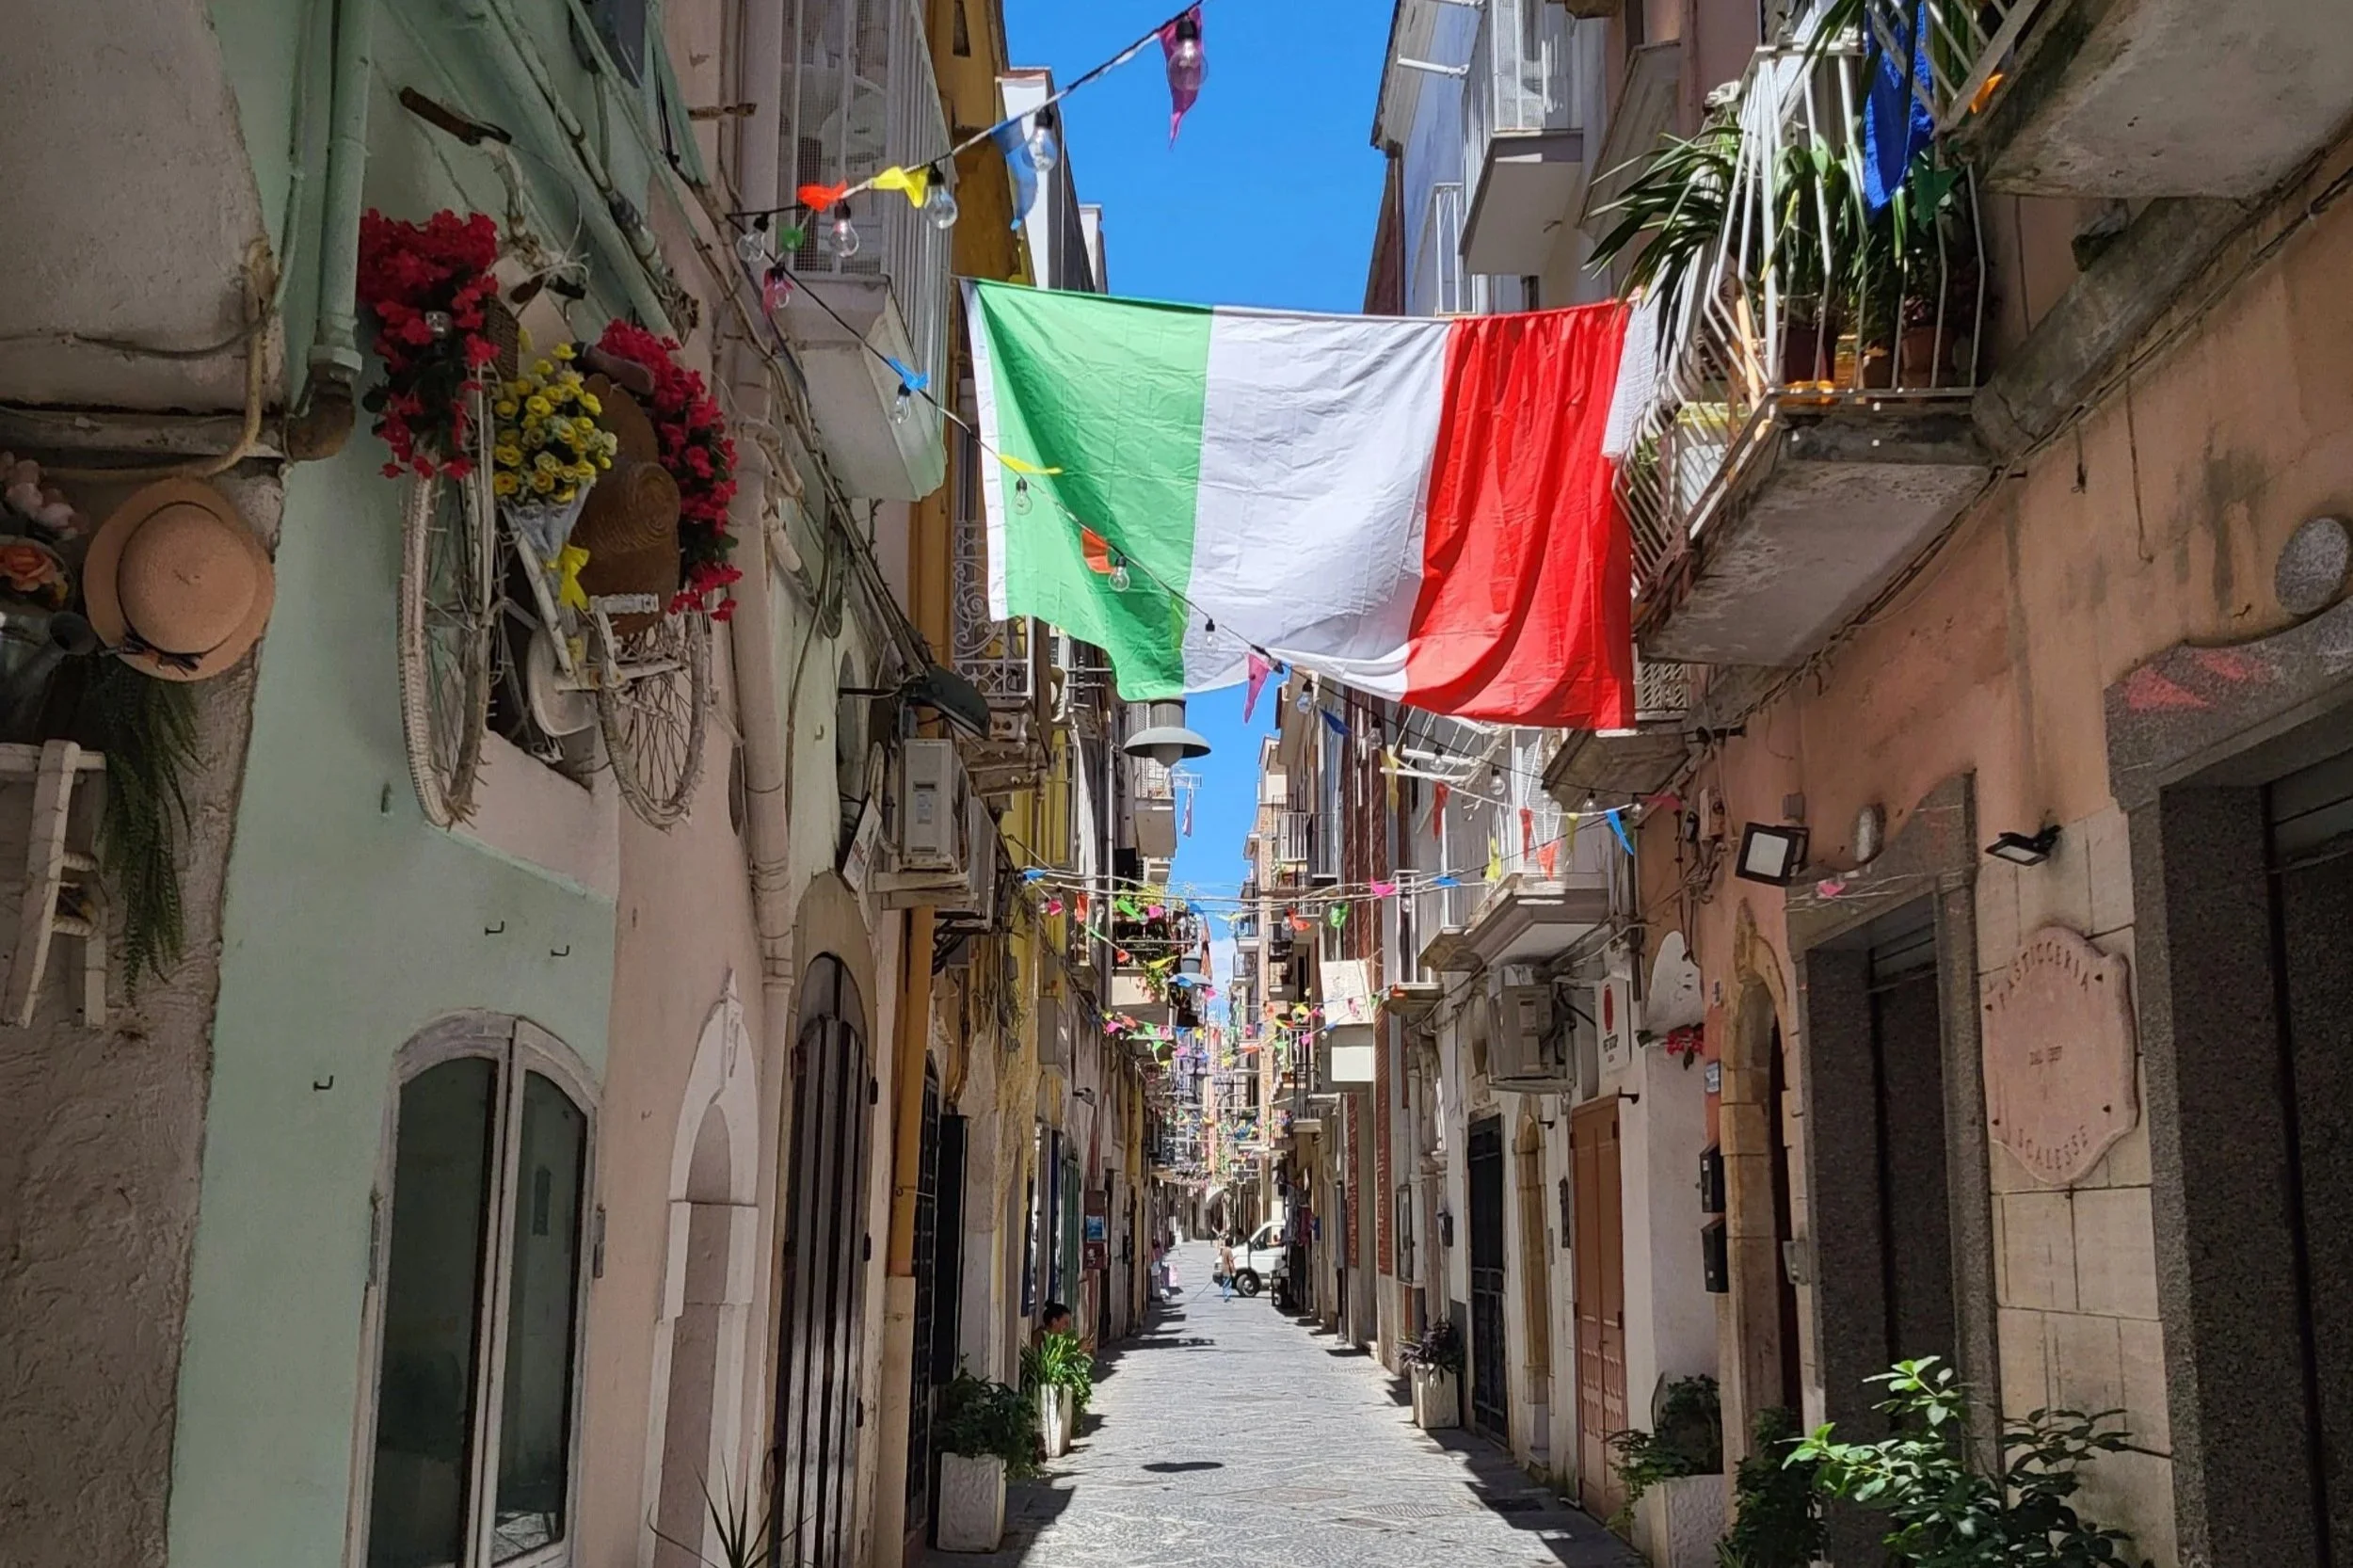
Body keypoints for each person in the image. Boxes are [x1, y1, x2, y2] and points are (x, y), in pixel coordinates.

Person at [1217, 1236, 1237, 1301]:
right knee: (1228, 1283)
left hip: (1223, 1268)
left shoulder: (1224, 1250)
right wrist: (1233, 1271)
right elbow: (1230, 1262)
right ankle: (1227, 1296)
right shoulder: (1229, 1250)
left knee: (1224, 1282)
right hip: (1227, 1269)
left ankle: (1225, 1295)